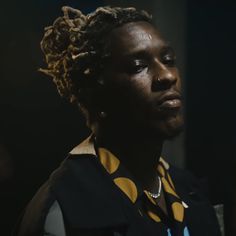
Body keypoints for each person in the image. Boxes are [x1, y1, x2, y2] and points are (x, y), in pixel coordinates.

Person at [14, 6, 221, 236]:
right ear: (95, 96)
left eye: (169, 60)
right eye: (138, 66)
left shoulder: (189, 190)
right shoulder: (64, 209)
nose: (168, 75)